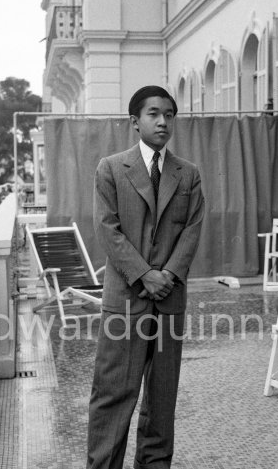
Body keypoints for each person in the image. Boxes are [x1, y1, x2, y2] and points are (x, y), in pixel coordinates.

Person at [86, 85, 205, 469]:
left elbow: (192, 229)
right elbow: (108, 230)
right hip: (126, 301)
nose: (163, 122)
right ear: (134, 122)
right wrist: (144, 275)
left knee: (161, 399)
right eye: (154, 114)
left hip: (169, 300)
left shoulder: (188, 175)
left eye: (169, 115)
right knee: (113, 396)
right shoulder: (111, 168)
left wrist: (167, 274)